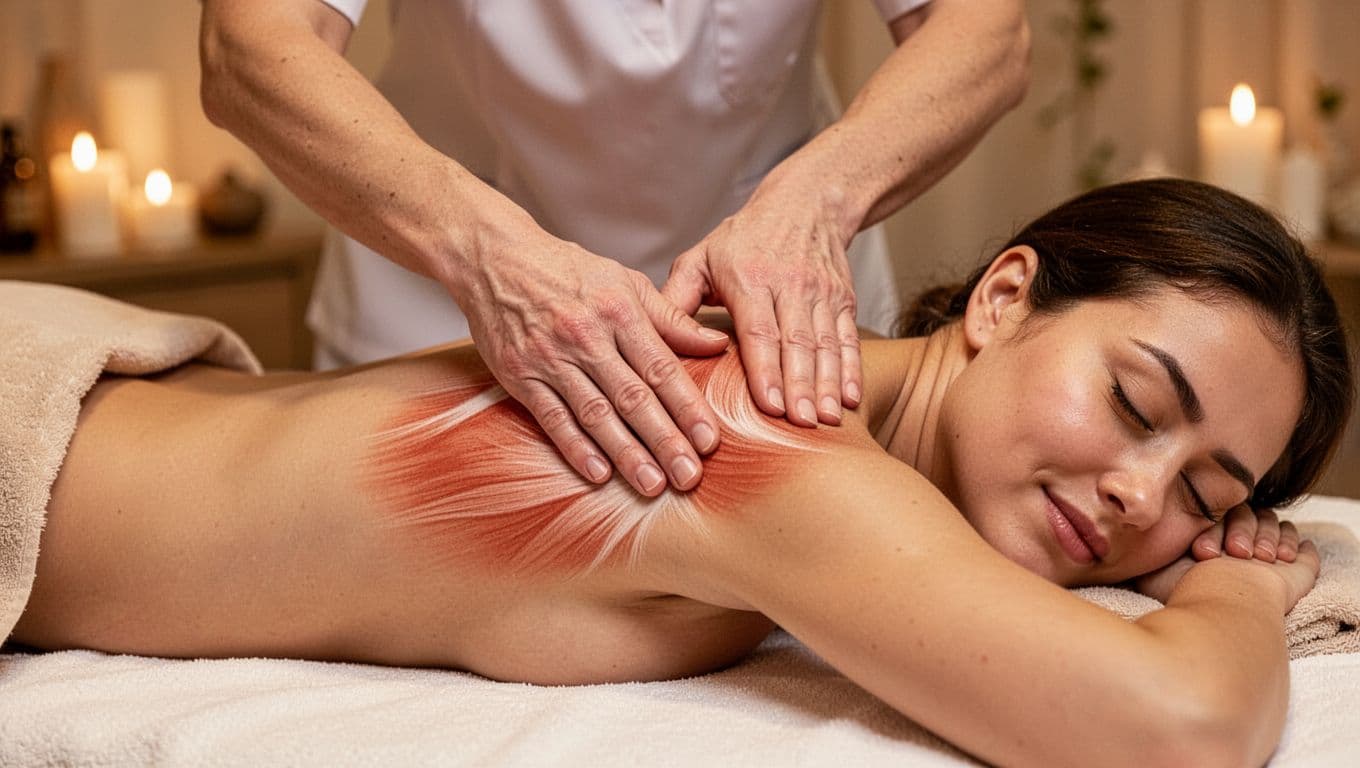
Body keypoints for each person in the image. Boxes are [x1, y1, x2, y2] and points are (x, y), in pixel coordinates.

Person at [10, 180, 1352, 766]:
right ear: (1004, 298)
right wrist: (1239, 590)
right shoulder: (777, 447)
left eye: (1208, 499)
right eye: (1135, 403)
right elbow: (1175, 735)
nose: (1142, 497)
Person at [196, 0, 1032, 498]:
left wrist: (816, 199)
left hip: (775, 298)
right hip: (440, 291)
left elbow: (986, 34)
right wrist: (491, 259)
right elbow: (250, 46)